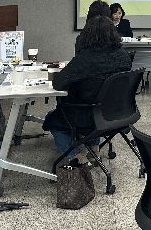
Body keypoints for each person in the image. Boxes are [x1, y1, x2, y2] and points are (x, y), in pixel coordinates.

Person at [44, 15, 132, 158]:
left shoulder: (85, 58)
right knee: (94, 102)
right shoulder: (123, 55)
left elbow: (58, 83)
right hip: (118, 113)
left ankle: (76, 158)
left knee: (53, 120)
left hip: (88, 116)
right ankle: (94, 148)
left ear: (88, 35)